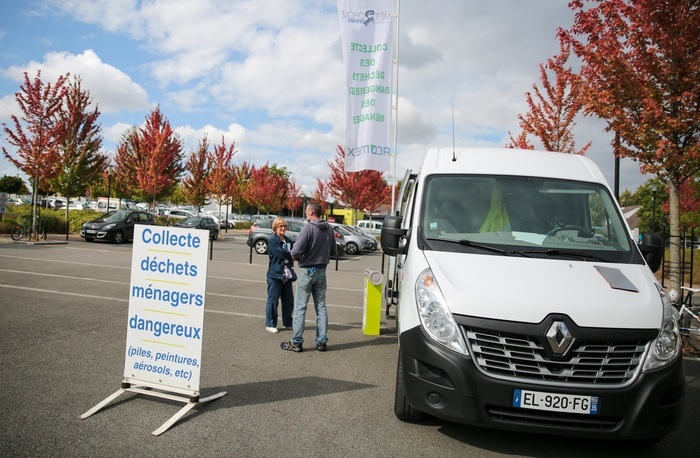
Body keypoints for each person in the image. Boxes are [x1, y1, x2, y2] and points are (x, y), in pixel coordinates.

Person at [281, 202, 337, 353]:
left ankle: (297, 342)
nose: (305, 213)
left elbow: (295, 251)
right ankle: (321, 341)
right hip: (321, 270)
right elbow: (333, 250)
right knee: (321, 307)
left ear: (312, 212)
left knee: (300, 308)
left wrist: (298, 257)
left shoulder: (308, 228)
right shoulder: (329, 229)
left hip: (307, 270)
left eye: (306, 211)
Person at [264, 217, 295, 333]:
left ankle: (288, 322)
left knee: (288, 301)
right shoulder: (273, 240)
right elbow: (280, 254)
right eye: (280, 226)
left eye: (284, 226)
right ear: (275, 228)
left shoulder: (288, 240)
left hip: (287, 274)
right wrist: (290, 254)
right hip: (275, 274)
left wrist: (291, 254)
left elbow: (294, 252)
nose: (282, 228)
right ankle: (270, 324)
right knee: (273, 300)